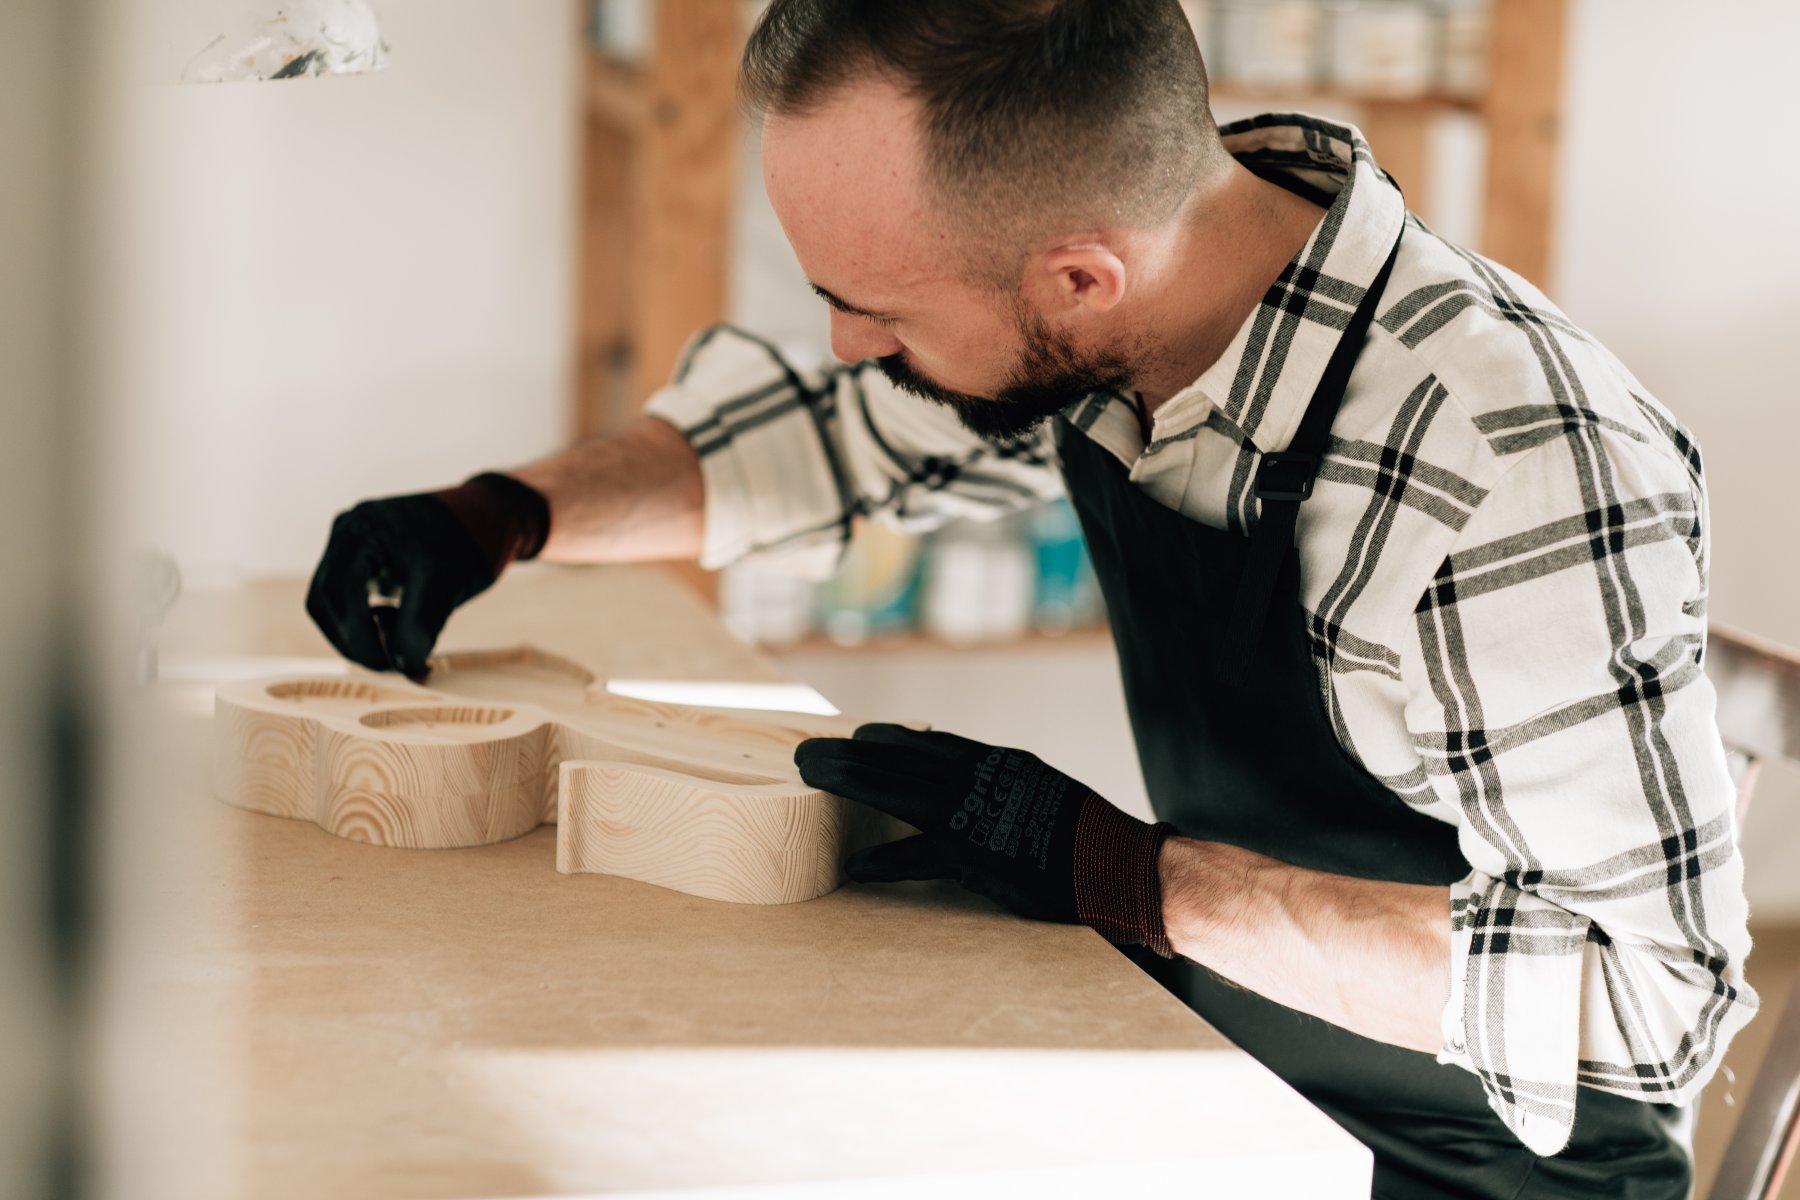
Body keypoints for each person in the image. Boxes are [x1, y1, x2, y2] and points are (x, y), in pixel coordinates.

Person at [304, 2, 1756, 1195]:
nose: (842, 339)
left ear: (1077, 279)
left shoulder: (1496, 464)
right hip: (1228, 1067)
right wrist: (502, 515)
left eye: (877, 306)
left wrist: (1132, 875)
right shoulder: (1153, 289)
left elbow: (1647, 1003)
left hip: (1479, 1165)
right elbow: (828, 429)